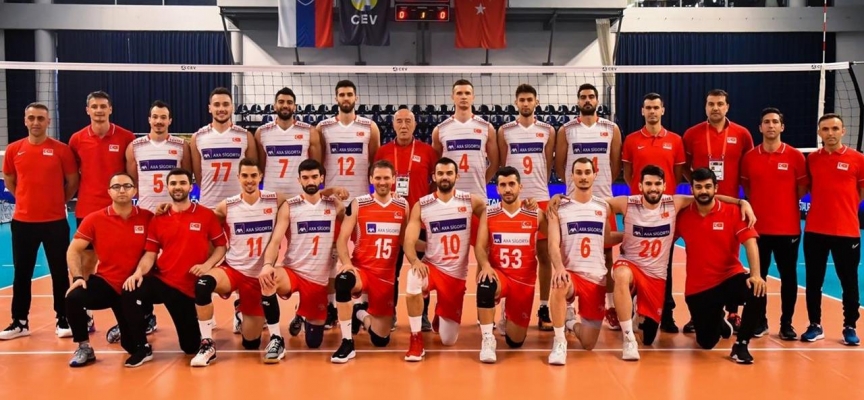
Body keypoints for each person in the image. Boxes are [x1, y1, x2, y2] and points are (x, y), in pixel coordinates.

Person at [606, 165, 755, 361]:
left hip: (655, 276)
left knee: (648, 338)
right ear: (640, 186)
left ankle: (639, 312)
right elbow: (601, 205)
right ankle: (628, 339)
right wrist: (616, 234)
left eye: (657, 184)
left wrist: (742, 201)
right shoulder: (627, 203)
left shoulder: (674, 203)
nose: (653, 188)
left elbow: (708, 197)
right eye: (648, 184)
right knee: (621, 275)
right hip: (631, 266)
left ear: (664, 186)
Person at [121, 168, 227, 366]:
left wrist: (207, 265)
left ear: (190, 187)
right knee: (130, 290)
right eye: (174, 183)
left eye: (182, 183)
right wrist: (138, 273)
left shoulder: (206, 215)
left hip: (186, 290)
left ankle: (193, 332)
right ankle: (141, 346)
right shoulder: (159, 218)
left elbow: (221, 246)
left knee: (190, 347)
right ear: (168, 187)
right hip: (162, 280)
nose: (178, 187)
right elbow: (150, 254)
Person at [190, 158, 285, 366]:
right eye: (245, 176)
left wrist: (329, 191)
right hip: (232, 269)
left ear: (260, 176)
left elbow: (304, 199)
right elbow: (202, 221)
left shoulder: (275, 200)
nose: (249, 180)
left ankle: (240, 310)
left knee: (251, 343)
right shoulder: (227, 206)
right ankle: (207, 343)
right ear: (238, 178)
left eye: (253, 176)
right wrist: (169, 207)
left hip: (257, 276)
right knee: (203, 284)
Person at [0, 103, 79, 340]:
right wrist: (24, 199)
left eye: (41, 118)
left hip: (55, 222)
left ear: (48, 122)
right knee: (22, 274)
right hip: (23, 223)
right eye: (32, 118)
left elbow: (72, 182)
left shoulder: (62, 150)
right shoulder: (14, 149)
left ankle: (63, 318)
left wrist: (57, 201)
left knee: (59, 272)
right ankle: (20, 321)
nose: (36, 122)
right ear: (25, 120)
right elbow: (9, 178)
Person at [676, 168, 767, 364]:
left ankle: (741, 345)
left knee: (758, 290)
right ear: (692, 189)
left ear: (716, 188)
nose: (703, 191)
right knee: (706, 342)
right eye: (698, 187)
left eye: (708, 186)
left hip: (729, 278)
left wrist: (756, 274)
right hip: (699, 288)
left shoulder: (733, 212)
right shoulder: (682, 216)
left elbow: (750, 242)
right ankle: (720, 321)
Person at [682, 89, 754, 333]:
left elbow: (747, 168)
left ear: (727, 107)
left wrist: (742, 201)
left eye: (720, 104)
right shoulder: (692, 134)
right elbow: (685, 167)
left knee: (731, 260)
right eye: (711, 104)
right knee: (699, 259)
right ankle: (701, 313)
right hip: (703, 203)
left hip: (730, 207)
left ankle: (733, 312)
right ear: (705, 107)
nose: (715, 108)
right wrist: (698, 187)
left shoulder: (742, 134)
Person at [258, 159, 346, 358]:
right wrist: (268, 265)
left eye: (314, 177)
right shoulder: (290, 206)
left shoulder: (334, 206)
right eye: (305, 178)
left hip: (318, 279)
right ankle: (276, 339)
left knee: (314, 343)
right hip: (293, 271)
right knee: (268, 280)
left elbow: (351, 225)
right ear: (299, 180)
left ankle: (301, 313)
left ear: (322, 178)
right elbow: (275, 241)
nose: (310, 181)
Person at [64, 173, 153, 367]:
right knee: (73, 298)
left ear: (135, 191)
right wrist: (78, 277)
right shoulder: (95, 219)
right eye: (116, 187)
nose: (122, 190)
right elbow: (73, 250)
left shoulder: (148, 217)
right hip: (107, 283)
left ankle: (134, 333)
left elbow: (154, 250)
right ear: (109, 192)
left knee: (131, 346)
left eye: (127, 186)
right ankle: (84, 347)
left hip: (134, 285)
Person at [402, 157, 486, 362]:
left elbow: (489, 211)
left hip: (455, 277)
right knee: (413, 277)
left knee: (448, 340)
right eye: (440, 173)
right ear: (434, 177)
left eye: (449, 173)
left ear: (457, 176)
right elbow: (408, 241)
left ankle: (440, 313)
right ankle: (415, 339)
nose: (445, 177)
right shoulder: (422, 205)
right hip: (432, 267)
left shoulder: (471, 201)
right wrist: (415, 261)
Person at [555, 83, 623, 330]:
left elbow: (615, 164)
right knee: (568, 251)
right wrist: (572, 189)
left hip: (603, 200)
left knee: (606, 254)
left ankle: (611, 305)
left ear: (596, 100)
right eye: (583, 97)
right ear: (578, 101)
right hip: (573, 202)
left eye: (591, 96)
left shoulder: (611, 128)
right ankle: (568, 305)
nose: (587, 100)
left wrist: (601, 185)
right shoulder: (566, 130)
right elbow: (560, 165)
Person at [69, 91, 136, 332]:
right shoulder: (77, 139)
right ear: (87, 110)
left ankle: (131, 315)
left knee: (123, 263)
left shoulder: (126, 137)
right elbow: (72, 174)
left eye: (103, 106)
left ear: (110, 109)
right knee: (87, 262)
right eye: (94, 106)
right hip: (87, 210)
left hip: (118, 211)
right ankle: (85, 314)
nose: (99, 110)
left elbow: (131, 173)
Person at [331, 160, 409, 363]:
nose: (382, 182)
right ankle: (347, 342)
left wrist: (428, 251)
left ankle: (359, 312)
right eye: (378, 178)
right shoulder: (359, 203)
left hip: (385, 278)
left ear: (394, 179)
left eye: (386, 178)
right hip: (362, 271)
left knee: (380, 340)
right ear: (371, 179)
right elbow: (342, 239)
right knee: (343, 281)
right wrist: (347, 263)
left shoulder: (403, 205)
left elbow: (405, 241)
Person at [740, 108, 807, 341]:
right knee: (759, 276)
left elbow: (801, 189)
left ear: (782, 127)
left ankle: (786, 323)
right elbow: (748, 188)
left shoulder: (795, 156)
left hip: (788, 229)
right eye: (766, 122)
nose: (771, 125)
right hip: (758, 230)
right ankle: (761, 321)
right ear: (760, 127)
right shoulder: (749, 157)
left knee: (789, 277)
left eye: (775, 122)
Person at [546, 158, 621, 365]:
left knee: (588, 343)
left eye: (587, 172)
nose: (583, 177)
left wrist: (629, 236)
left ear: (595, 175)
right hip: (571, 274)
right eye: (578, 172)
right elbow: (553, 244)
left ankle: (569, 323)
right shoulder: (559, 207)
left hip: (596, 279)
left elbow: (606, 239)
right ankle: (559, 341)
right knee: (559, 283)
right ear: (571, 176)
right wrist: (559, 268)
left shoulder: (603, 207)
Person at [316, 80, 379, 328]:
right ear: (336, 98)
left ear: (356, 97)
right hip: (332, 204)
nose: (345, 98)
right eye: (341, 94)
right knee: (330, 256)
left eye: (349, 94)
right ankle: (331, 307)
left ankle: (364, 305)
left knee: (364, 253)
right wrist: (328, 190)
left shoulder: (369, 127)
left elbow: (374, 163)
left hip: (361, 201)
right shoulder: (324, 128)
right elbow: (318, 163)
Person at [621, 92, 686, 333]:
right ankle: (630, 309)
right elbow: (628, 175)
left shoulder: (675, 140)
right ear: (642, 111)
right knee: (632, 260)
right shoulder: (631, 140)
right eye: (648, 107)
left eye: (656, 107)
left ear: (662, 110)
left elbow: (676, 177)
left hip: (664, 212)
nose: (652, 111)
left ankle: (666, 313)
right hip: (638, 210)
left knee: (664, 263)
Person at [801, 113, 863, 346]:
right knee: (813, 281)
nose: (830, 133)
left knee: (849, 282)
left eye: (835, 129)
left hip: (847, 232)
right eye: (825, 129)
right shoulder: (812, 159)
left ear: (843, 131)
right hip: (815, 231)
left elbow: (861, 192)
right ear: (819, 133)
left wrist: (845, 209)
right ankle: (814, 325)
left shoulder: (858, 159)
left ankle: (850, 326)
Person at [496, 84, 555, 331]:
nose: (526, 103)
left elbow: (548, 164)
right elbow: (503, 165)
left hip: (540, 198)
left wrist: (537, 191)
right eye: (522, 100)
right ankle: (505, 310)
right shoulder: (505, 131)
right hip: (513, 201)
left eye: (530, 99)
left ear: (536, 102)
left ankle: (544, 307)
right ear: (516, 103)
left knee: (544, 256)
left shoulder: (548, 130)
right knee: (508, 256)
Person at [474, 166, 546, 363]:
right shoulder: (489, 213)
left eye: (512, 184)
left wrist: (554, 202)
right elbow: (479, 247)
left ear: (520, 187)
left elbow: (554, 238)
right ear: (497, 189)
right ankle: (487, 339)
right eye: (503, 185)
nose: (507, 189)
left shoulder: (536, 214)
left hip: (524, 283)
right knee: (485, 284)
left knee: (515, 342)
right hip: (500, 276)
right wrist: (485, 266)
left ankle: (507, 315)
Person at [374, 108, 437, 330]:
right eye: (399, 121)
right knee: (389, 271)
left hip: (420, 221)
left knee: (422, 269)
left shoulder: (428, 151)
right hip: (390, 221)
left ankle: (423, 315)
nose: (403, 125)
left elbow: (435, 181)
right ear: (392, 125)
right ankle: (388, 313)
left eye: (408, 121)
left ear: (415, 124)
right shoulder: (382, 151)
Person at [432, 79, 499, 204]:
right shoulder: (440, 130)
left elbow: (495, 163)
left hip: (478, 197)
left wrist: (481, 182)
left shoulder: (486, 127)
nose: (463, 96)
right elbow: (435, 165)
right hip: (449, 198)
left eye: (467, 93)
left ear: (473, 97)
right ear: (452, 97)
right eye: (459, 93)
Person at [190, 87, 258, 208]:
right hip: (209, 206)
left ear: (232, 107)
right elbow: (198, 175)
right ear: (210, 108)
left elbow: (253, 173)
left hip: (239, 206)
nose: (221, 109)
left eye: (226, 104)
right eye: (216, 105)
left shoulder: (246, 136)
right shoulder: (198, 137)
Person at [126, 100, 191, 212]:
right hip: (146, 211)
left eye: (163, 117)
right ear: (149, 119)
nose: (159, 121)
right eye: (155, 117)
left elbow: (186, 180)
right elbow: (133, 183)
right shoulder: (134, 147)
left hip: (174, 211)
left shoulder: (181, 146)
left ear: (170, 121)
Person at [256, 87, 322, 197]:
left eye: (289, 102)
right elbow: (261, 167)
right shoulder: (261, 132)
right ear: (274, 106)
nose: (285, 105)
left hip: (300, 194)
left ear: (295, 107)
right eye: (281, 102)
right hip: (271, 193)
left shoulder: (309, 131)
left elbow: (316, 166)